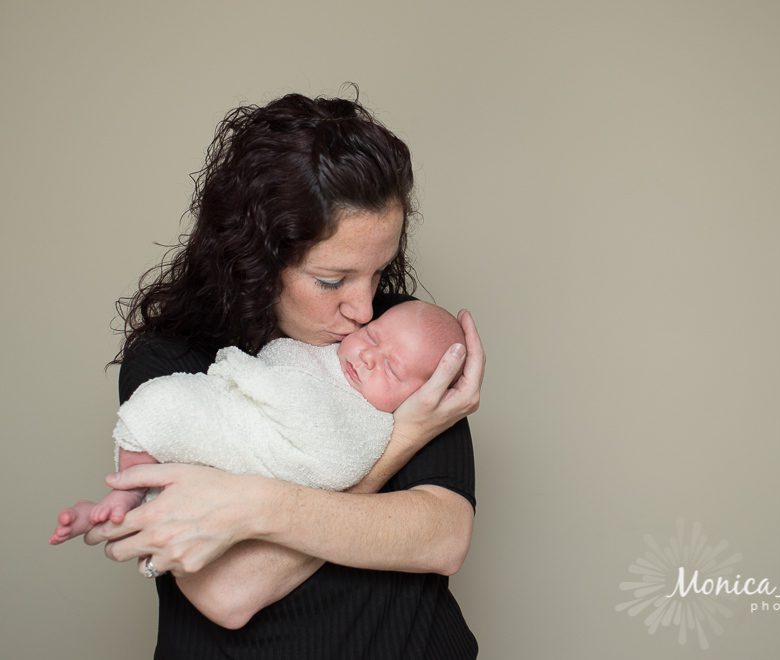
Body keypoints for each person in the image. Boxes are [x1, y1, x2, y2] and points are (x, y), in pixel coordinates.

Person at [64, 90, 484, 659]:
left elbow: (442, 538)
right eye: (333, 281)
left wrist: (246, 508)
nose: (364, 309)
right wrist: (404, 436)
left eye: (378, 271)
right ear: (256, 260)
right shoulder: (175, 363)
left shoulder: (399, 339)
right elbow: (229, 592)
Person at [49, 301, 465, 542]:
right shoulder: (326, 347)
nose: (369, 356)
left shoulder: (373, 423)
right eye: (372, 336)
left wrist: (251, 378)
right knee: (161, 404)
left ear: (419, 397)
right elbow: (280, 360)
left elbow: (337, 462)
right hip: (228, 425)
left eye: (391, 369)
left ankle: (125, 513)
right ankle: (124, 495)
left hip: (259, 463)